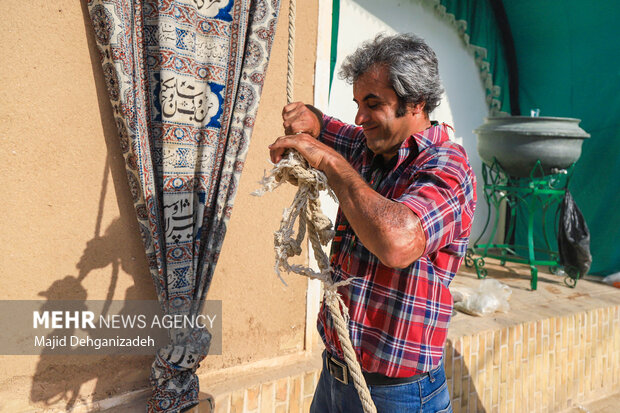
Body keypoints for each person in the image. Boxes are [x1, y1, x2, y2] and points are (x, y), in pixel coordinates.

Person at [269, 33, 476, 413]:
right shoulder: (371, 145)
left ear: (416, 103)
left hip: (399, 396)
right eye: (357, 103)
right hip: (335, 378)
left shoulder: (448, 166)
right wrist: (308, 116)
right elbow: (324, 125)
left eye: (373, 104)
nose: (359, 118)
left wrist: (329, 162)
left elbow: (397, 243)